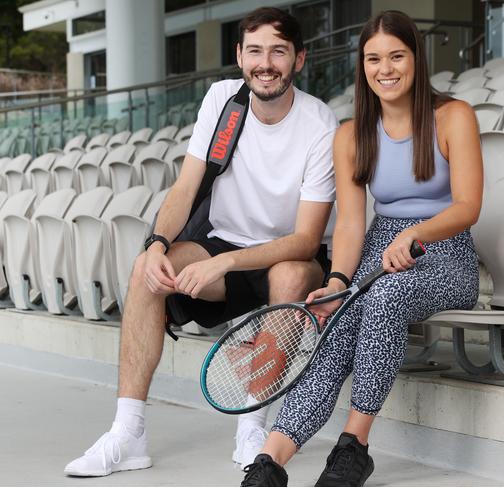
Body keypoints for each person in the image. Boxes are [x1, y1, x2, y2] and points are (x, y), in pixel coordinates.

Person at [64, 7, 338, 477]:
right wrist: (154, 243)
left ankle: (253, 425)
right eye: (254, 50)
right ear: (239, 56)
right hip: (220, 245)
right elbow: (185, 187)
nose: (265, 62)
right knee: (145, 273)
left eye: (278, 51)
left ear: (299, 59)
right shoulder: (222, 101)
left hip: (285, 255)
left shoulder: (319, 123)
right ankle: (128, 433)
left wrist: (227, 263)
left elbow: (306, 238)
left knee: (291, 273)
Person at [239, 10, 483, 487]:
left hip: (446, 251)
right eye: (374, 59)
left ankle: (354, 446)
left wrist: (417, 234)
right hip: (379, 250)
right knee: (340, 320)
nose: (385, 69)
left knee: (386, 300)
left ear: (417, 58)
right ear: (362, 65)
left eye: (396, 56)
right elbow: (350, 224)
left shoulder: (454, 116)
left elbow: (469, 206)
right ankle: (271, 460)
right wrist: (335, 283)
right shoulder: (351, 135)